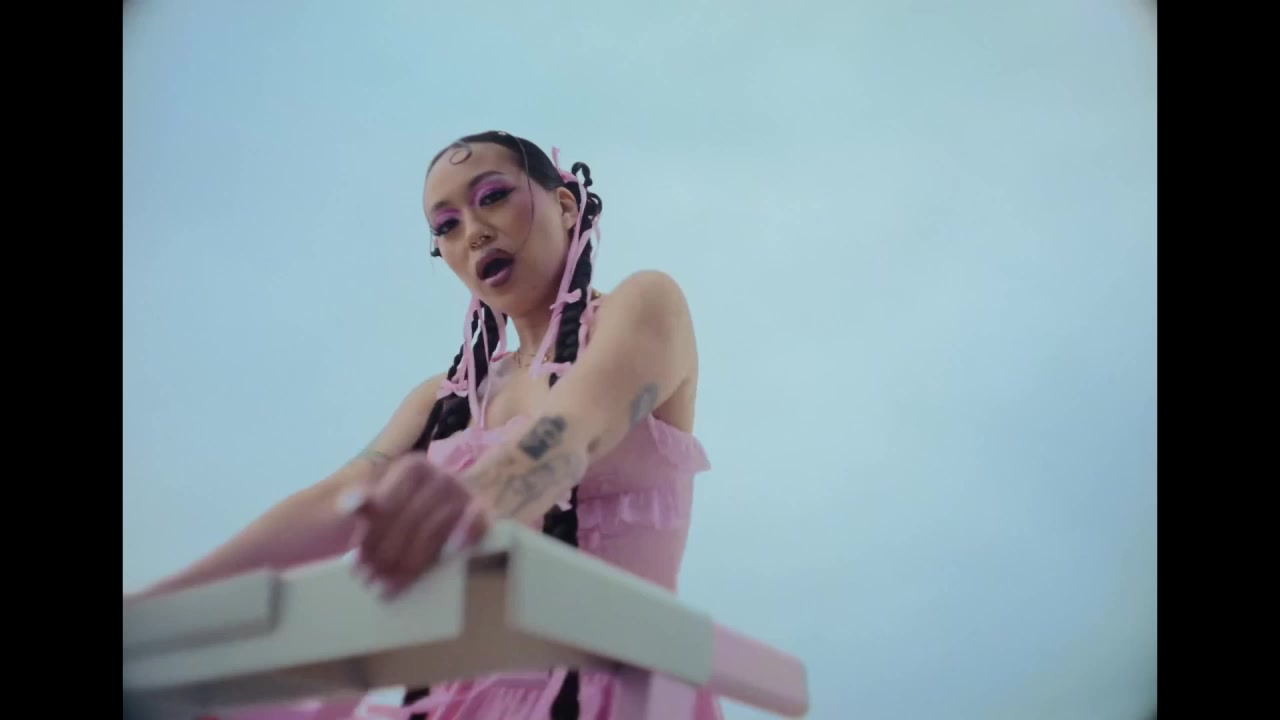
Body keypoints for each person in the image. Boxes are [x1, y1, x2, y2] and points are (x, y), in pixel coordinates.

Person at [130, 131, 719, 720]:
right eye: (446, 226)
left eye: (493, 196)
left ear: (565, 206)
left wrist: (470, 501)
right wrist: (153, 608)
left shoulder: (644, 305)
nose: (474, 232)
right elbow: (337, 501)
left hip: (618, 697)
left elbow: (574, 427)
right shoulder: (444, 400)